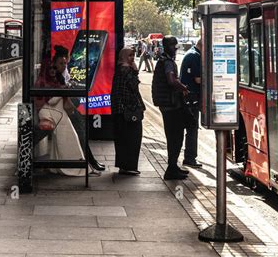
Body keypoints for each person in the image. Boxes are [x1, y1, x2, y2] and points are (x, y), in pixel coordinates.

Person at [51, 46, 105, 173]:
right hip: (60, 111)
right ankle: (90, 161)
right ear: (55, 63)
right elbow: (60, 97)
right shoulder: (55, 75)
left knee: (81, 129)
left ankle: (91, 160)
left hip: (63, 109)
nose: (64, 65)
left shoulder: (61, 73)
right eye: (61, 63)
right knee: (81, 130)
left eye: (65, 63)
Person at [34, 61, 86, 177]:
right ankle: (71, 165)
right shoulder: (42, 82)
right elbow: (50, 101)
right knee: (68, 134)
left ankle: (64, 164)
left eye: (54, 68)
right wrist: (63, 90)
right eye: (50, 68)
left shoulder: (56, 80)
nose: (52, 70)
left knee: (70, 133)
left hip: (58, 112)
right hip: (50, 112)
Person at [152, 35, 189, 180]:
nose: (175, 49)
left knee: (173, 136)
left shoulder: (163, 60)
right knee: (176, 136)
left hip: (166, 104)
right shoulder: (167, 62)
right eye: (174, 46)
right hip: (171, 105)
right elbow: (171, 80)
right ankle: (171, 168)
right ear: (170, 46)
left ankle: (173, 166)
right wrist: (184, 88)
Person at [110, 46, 146, 175]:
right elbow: (133, 86)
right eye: (130, 55)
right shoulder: (125, 69)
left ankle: (125, 166)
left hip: (121, 111)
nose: (132, 58)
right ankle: (128, 166)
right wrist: (135, 71)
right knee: (132, 139)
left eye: (133, 55)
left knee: (124, 139)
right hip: (127, 111)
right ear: (124, 56)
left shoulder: (121, 68)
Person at [179, 38, 202, 168]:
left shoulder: (192, 53)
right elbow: (198, 80)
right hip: (191, 97)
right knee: (192, 128)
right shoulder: (195, 56)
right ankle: (190, 158)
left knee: (189, 128)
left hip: (188, 97)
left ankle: (189, 157)